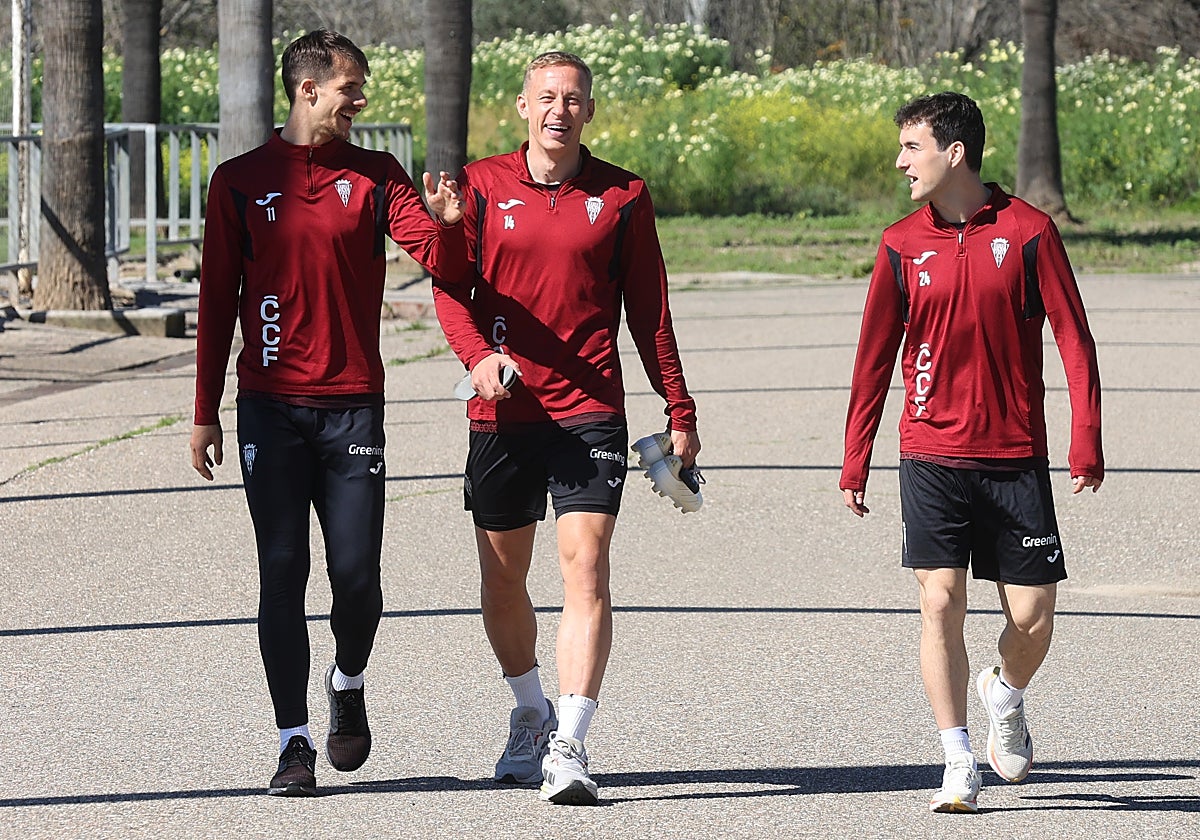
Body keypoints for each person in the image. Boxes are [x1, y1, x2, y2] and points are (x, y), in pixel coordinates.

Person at [188, 29, 466, 797]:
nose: (361, 101)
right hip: (270, 410)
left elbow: (439, 261)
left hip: (353, 409)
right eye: (351, 88)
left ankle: (348, 679)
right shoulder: (239, 182)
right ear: (307, 90)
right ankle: (292, 742)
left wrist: (446, 223)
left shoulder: (376, 175)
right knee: (282, 571)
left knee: (356, 578)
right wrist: (205, 408)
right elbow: (219, 302)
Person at [431, 50, 701, 806]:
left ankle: (570, 742)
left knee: (586, 568)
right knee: (503, 578)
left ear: (589, 109)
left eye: (573, 98)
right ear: (522, 107)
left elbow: (650, 316)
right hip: (501, 413)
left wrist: (680, 410)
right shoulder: (482, 187)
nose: (560, 109)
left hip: (590, 413)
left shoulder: (622, 196)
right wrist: (478, 357)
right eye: (546, 97)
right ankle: (529, 709)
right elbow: (450, 287)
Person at [840, 92, 1103, 814]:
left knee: (1034, 614)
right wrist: (855, 455)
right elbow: (873, 358)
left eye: (911, 148)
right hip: (931, 453)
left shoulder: (1028, 232)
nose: (900, 162)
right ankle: (958, 759)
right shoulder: (900, 243)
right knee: (941, 602)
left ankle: (1005, 694)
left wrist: (1086, 436)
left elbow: (1074, 339)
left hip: (1015, 454)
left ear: (954, 153)